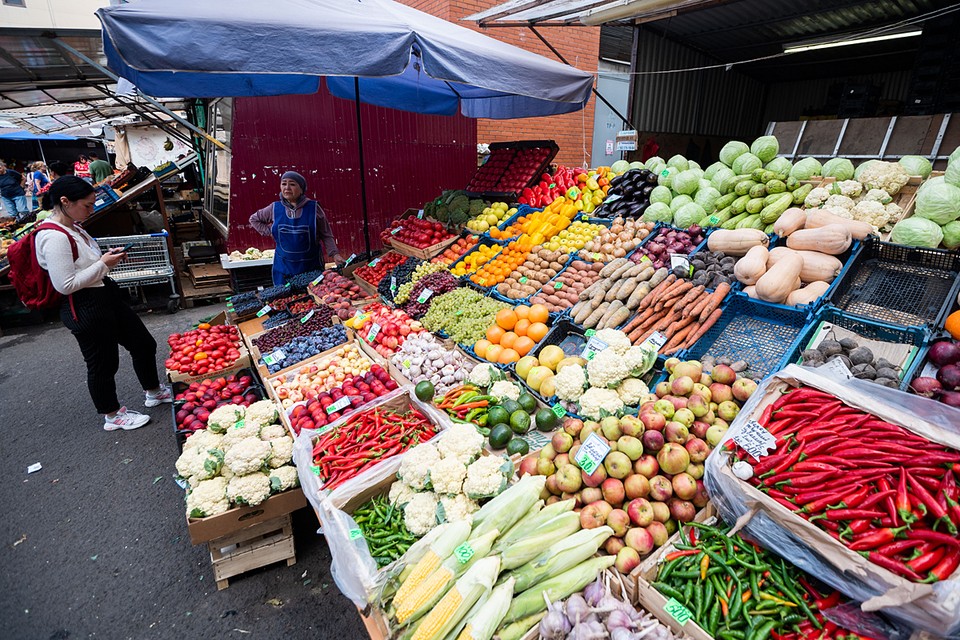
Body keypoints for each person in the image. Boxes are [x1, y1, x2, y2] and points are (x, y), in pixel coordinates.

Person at [35, 176, 172, 431]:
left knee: (143, 343)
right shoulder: (53, 237)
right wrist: (103, 264)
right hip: (84, 305)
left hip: (105, 294)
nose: (91, 210)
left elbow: (86, 263)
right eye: (87, 205)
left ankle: (154, 392)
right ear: (65, 201)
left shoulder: (74, 227)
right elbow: (65, 284)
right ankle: (112, 415)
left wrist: (108, 259)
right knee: (102, 363)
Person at [249, 171, 345, 285]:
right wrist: (270, 232)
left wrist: (335, 254)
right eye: (284, 184)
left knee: (312, 294)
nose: (287, 188)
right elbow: (254, 219)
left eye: (292, 184)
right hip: (283, 268)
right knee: (284, 295)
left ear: (301, 189)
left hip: (310, 267)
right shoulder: (274, 208)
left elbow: (326, 234)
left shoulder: (314, 208)